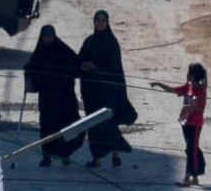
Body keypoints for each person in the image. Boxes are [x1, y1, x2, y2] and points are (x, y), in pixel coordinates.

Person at [78, 11, 136, 167]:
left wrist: (95, 67)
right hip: (91, 91)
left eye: (103, 20)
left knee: (109, 122)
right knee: (93, 125)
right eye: (97, 20)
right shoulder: (89, 41)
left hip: (108, 91)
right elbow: (79, 60)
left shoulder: (111, 43)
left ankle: (115, 155)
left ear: (107, 22)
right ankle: (96, 159)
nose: (100, 23)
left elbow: (114, 67)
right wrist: (83, 65)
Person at [23, 24, 84, 166]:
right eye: (45, 36)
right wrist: (29, 79)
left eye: (50, 36)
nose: (48, 39)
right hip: (47, 99)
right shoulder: (39, 53)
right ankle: (46, 156)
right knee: (47, 127)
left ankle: (65, 155)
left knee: (67, 126)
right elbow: (30, 68)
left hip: (65, 98)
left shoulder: (63, 50)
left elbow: (76, 65)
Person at [151, 62, 207, 186]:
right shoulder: (188, 87)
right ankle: (196, 176)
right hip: (186, 122)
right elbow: (172, 90)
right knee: (192, 149)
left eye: (189, 73)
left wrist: (189, 109)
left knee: (190, 149)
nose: (187, 75)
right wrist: (159, 84)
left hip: (195, 124)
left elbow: (201, 108)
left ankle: (188, 177)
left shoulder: (200, 90)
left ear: (193, 76)